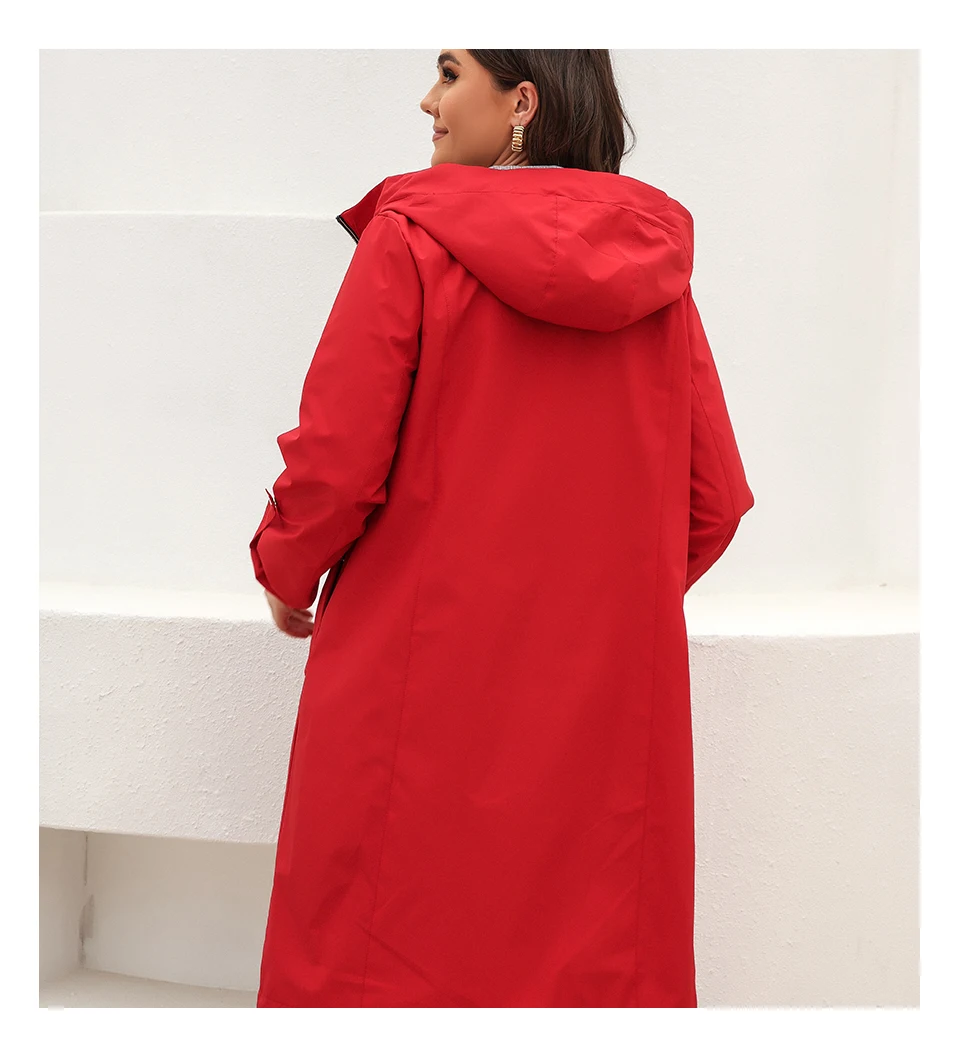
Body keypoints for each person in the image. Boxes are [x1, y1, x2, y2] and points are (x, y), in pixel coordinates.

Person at [249, 49, 754, 1008]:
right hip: (598, 706)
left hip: (409, 677)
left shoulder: (411, 237)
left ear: (523, 101)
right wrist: (592, 604)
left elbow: (338, 459)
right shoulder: (656, 273)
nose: (428, 100)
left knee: (375, 956)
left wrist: (285, 567)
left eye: (450, 73)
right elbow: (714, 500)